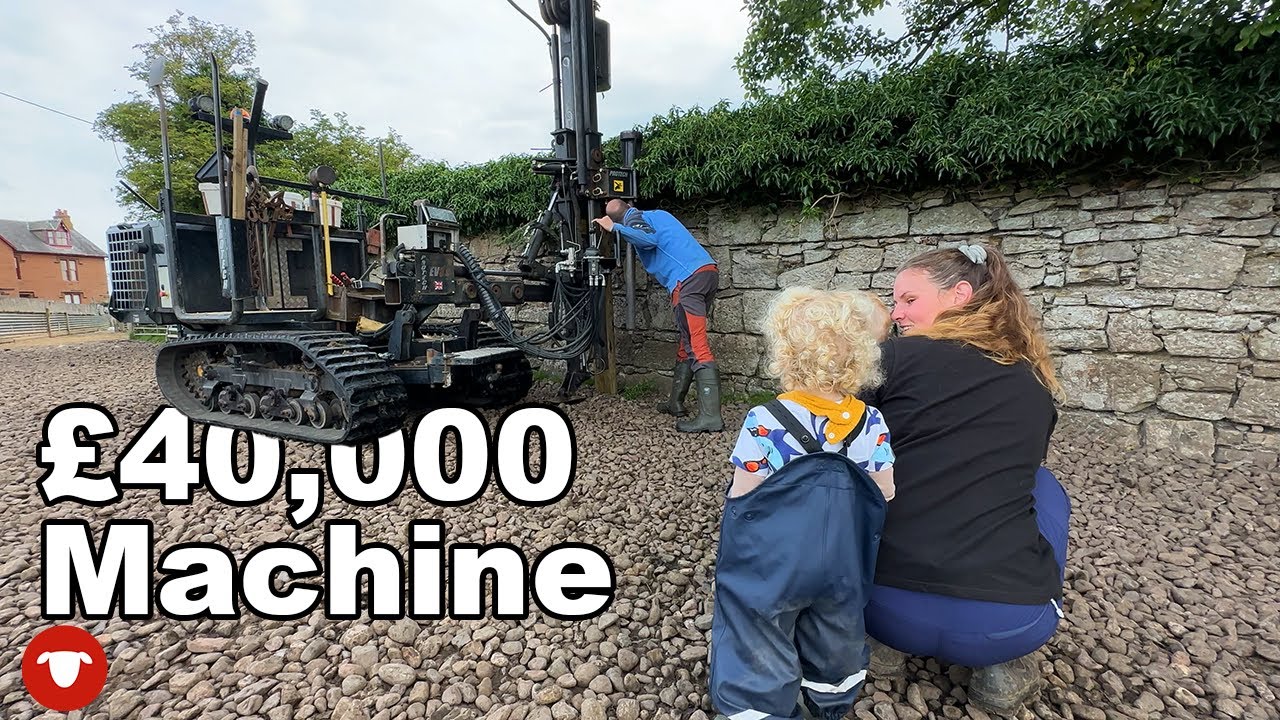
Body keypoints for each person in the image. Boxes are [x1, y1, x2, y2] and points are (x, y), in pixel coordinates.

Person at [856, 243, 1070, 714]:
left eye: (909, 300)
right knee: (1043, 485)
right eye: (896, 302)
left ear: (960, 294)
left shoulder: (889, 360)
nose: (895, 314)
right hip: (1008, 625)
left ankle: (883, 651)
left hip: (880, 608)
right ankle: (1003, 671)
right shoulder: (1033, 381)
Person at [709, 287, 896, 720]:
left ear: (786, 355)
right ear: (860, 356)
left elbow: (744, 494)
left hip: (773, 559)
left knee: (757, 623)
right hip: (845, 559)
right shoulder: (872, 422)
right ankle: (830, 699)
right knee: (837, 630)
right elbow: (884, 492)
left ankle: (760, 708)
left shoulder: (766, 420)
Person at [594, 199, 722, 432]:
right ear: (630, 203)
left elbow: (649, 239)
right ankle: (675, 402)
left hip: (688, 282)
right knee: (687, 343)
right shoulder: (659, 214)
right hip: (707, 273)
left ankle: (711, 417)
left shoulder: (634, 220)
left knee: (697, 346)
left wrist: (615, 229)